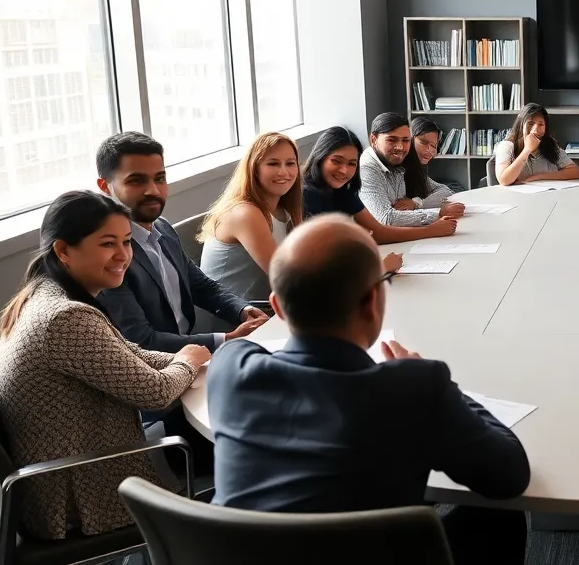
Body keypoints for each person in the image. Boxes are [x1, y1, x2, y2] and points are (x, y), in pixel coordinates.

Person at [208, 215, 530, 564]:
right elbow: (509, 476)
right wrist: (433, 382)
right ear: (374, 301)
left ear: (277, 307)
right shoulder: (414, 388)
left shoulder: (230, 366)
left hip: (245, 552)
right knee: (500, 516)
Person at [0, 191, 209, 541]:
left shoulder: (45, 295)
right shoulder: (65, 318)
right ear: (63, 251)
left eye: (127, 242)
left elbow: (127, 355)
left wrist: (188, 357)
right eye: (108, 244)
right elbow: (154, 393)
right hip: (83, 498)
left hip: (65, 477)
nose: (123, 255)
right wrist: (188, 361)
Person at [96, 132, 267, 353]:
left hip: (189, 354)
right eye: (136, 181)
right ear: (104, 186)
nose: (153, 190)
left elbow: (201, 286)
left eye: (159, 178)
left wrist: (243, 309)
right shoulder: (108, 255)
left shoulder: (163, 228)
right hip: (156, 367)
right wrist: (226, 339)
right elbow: (141, 341)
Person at [302, 126, 457, 253]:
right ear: (320, 157)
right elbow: (322, 254)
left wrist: (431, 230)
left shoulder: (343, 190)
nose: (344, 170)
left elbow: (378, 232)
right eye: (336, 161)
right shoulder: (307, 195)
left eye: (351, 164)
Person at [199, 132, 303, 301]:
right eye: (273, 164)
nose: (284, 172)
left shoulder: (284, 209)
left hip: (266, 308)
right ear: (254, 169)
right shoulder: (245, 213)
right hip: (237, 317)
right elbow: (286, 276)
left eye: (290, 163)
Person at [359, 112, 465, 226]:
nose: (400, 147)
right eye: (391, 140)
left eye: (405, 140)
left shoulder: (397, 160)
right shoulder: (367, 168)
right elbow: (386, 218)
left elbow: (445, 191)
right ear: (373, 139)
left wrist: (417, 203)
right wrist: (438, 214)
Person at [494, 103, 579, 186]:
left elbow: (575, 172)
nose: (535, 129)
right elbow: (504, 180)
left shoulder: (550, 144)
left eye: (541, 124)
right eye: (530, 123)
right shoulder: (507, 146)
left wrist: (538, 177)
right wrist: (527, 150)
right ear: (521, 125)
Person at [411, 116, 466, 194]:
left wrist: (417, 202)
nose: (430, 150)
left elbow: (446, 191)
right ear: (409, 139)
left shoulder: (417, 171)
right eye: (423, 142)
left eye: (433, 146)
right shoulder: (398, 172)